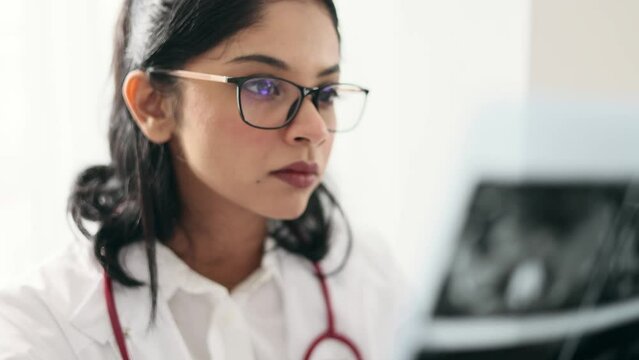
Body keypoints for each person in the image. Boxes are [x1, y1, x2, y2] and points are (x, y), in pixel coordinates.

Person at [0, 0, 406, 359]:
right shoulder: (41, 331)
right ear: (153, 104)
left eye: (327, 93)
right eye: (264, 86)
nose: (314, 129)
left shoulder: (371, 282)